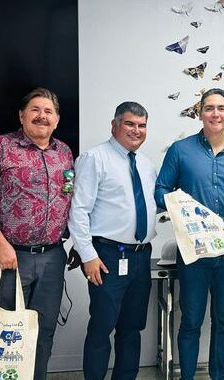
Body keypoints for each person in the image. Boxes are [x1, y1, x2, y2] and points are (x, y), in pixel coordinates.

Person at [0, 88, 73, 380]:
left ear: (57, 119)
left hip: (53, 257)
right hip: (11, 257)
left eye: (49, 111)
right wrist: (0, 245)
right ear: (22, 116)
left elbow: (69, 199)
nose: (42, 116)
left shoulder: (63, 153)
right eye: (35, 109)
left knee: (44, 331)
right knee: (6, 334)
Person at [155, 88, 224, 380]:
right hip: (192, 251)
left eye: (221, 108)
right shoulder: (181, 150)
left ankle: (220, 375)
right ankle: (187, 377)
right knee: (190, 320)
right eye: (209, 108)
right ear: (199, 113)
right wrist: (179, 211)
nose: (216, 114)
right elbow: (160, 190)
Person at [68, 102, 157, 379]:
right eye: (130, 123)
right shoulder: (94, 158)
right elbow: (79, 210)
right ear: (114, 125)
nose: (136, 130)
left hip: (141, 257)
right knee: (101, 327)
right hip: (106, 256)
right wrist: (88, 255)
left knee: (132, 328)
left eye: (142, 125)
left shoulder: (146, 164)